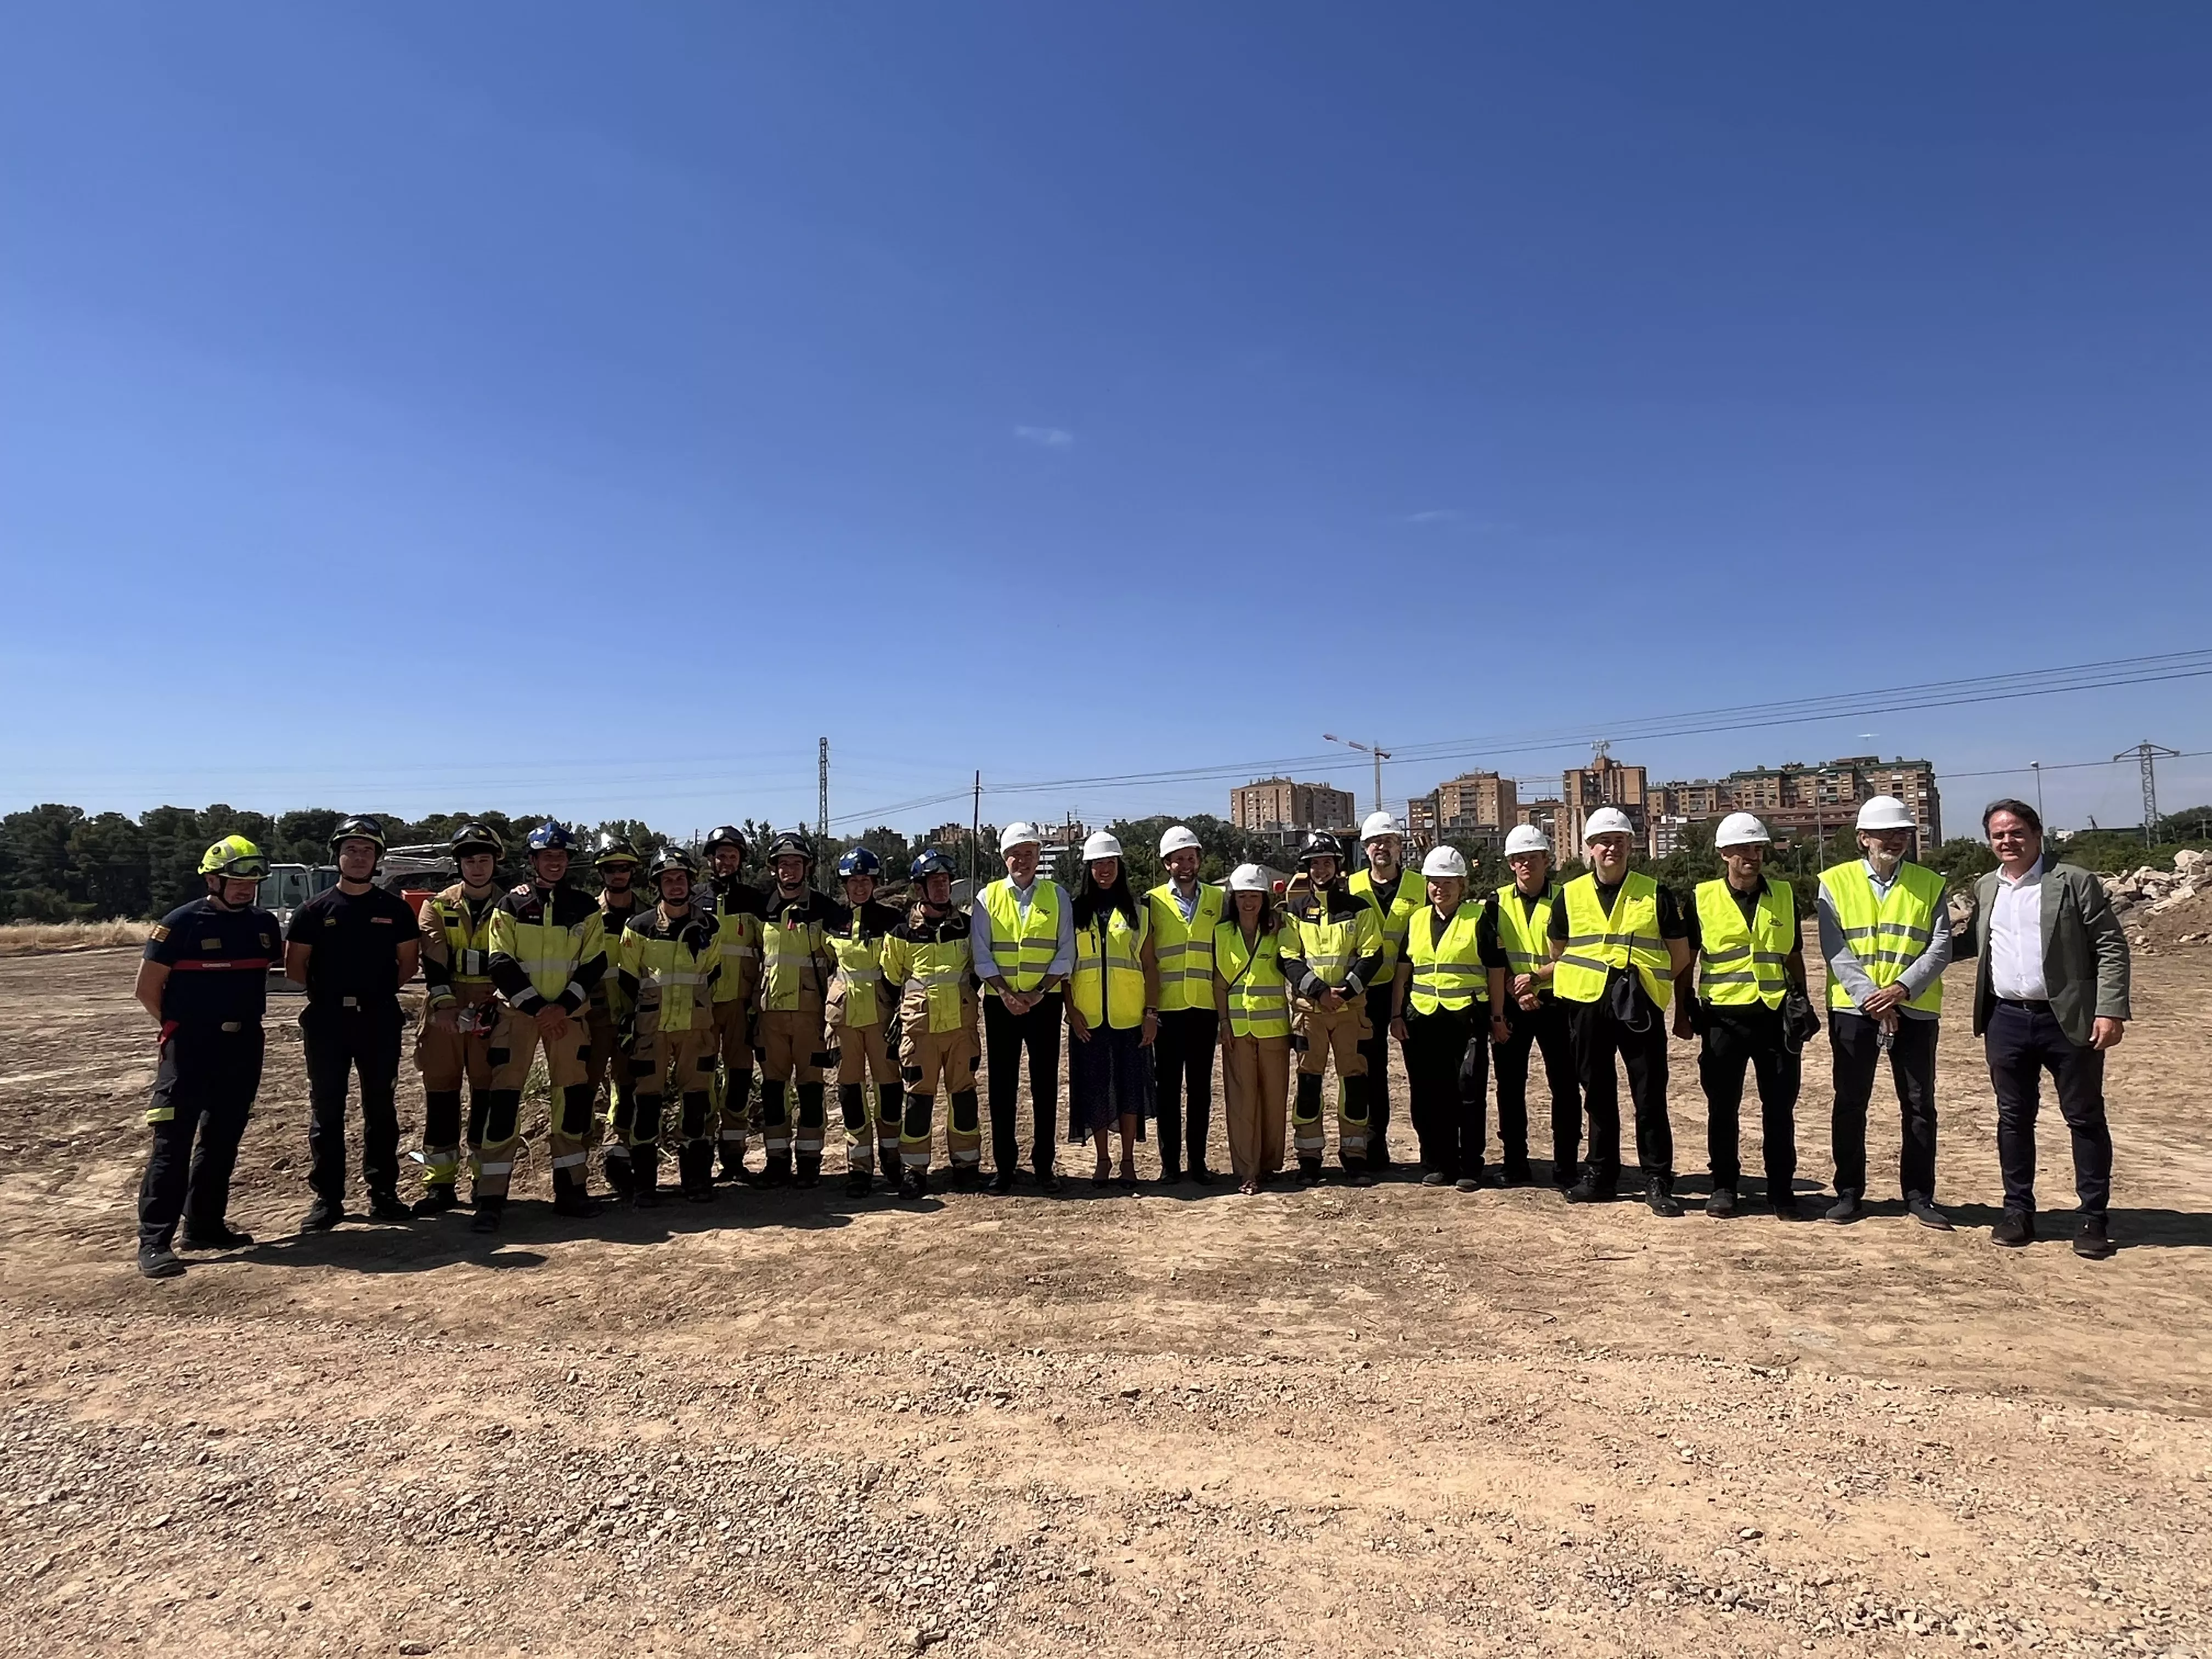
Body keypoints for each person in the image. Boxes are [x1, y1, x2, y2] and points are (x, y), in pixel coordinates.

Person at [1964, 798, 2130, 1258]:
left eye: (2016, 832)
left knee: (2084, 1118)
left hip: (2069, 1019)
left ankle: (2093, 1218)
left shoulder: (2073, 882)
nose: (2007, 842)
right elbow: (1971, 944)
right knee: (2013, 1119)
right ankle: (2018, 1211)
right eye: (1998, 835)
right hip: (2006, 1019)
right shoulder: (1985, 887)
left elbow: (2111, 947)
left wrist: (2110, 1009)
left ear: (2037, 835)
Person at [132, 836, 282, 1278]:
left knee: (222, 1138)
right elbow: (146, 989)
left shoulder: (264, 924)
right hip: (190, 1047)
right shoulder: (179, 924)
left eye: (252, 881)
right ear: (212, 879)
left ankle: (205, 1225)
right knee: (172, 1142)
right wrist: (179, 1028)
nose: (245, 888)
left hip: (243, 1045)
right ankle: (155, 1240)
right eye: (236, 880)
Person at [1547, 806, 1694, 1215]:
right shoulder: (1569, 895)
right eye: (1603, 841)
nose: (1611, 847)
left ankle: (1657, 1179)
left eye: (1619, 840)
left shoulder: (1655, 892)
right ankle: (1601, 1174)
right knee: (1597, 1094)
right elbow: (1559, 951)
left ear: (1631, 845)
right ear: (1589, 848)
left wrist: (1645, 980)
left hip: (1638, 1004)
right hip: (1587, 1005)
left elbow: (1679, 956)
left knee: (1649, 1095)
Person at [1816, 795, 1954, 1227]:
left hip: (1913, 1009)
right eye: (1885, 833)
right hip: (1855, 1010)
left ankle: (1918, 1196)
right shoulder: (1834, 882)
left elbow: (1942, 945)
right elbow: (1834, 947)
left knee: (1918, 1104)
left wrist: (1900, 990)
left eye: (1901, 833)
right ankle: (1849, 1192)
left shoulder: (1930, 883)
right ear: (1863, 839)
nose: (1894, 840)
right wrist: (1870, 999)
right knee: (1850, 1102)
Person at [283, 815, 419, 1230]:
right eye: (351, 850)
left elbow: (408, 966)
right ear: (337, 855)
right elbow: (294, 969)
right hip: (327, 1024)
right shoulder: (313, 911)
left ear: (378, 858)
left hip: (379, 1020)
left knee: (381, 1110)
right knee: (328, 1112)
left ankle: (384, 1193)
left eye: (366, 850)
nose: (358, 857)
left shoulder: (394, 910)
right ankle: (328, 1199)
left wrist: (371, 995)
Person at [483, 821, 608, 1229]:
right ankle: (490, 1198)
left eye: (561, 856)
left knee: (572, 1102)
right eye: (546, 857)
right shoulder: (511, 905)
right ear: (533, 860)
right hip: (519, 1016)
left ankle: (570, 1190)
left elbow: (595, 963)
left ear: (569, 861)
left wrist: (561, 1008)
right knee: (502, 1104)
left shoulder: (586, 907)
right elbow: (500, 961)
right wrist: (539, 1009)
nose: (554, 863)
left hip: (568, 1018)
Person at [1684, 814, 1808, 1220]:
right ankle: (1724, 1186)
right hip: (1723, 1019)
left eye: (1756, 848)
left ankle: (1781, 1188)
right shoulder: (1702, 898)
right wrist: (1683, 1007)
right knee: (1723, 1108)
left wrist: (1802, 1001)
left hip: (1774, 1019)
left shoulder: (1784, 896)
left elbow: (1792, 955)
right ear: (1724, 854)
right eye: (1742, 849)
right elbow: (1688, 960)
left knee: (1779, 1108)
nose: (1751, 856)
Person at [613, 846, 721, 1206]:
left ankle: (696, 1181)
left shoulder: (710, 926)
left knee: (697, 1105)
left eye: (681, 879)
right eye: (667, 880)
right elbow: (628, 979)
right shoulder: (639, 927)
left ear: (691, 882)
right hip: (652, 1029)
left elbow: (713, 973)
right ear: (657, 885)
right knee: (647, 1106)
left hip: (695, 1027)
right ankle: (645, 1185)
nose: (675, 885)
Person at [411, 822, 507, 1215]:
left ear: (495, 863)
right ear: (459, 864)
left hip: (494, 1007)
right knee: (442, 1095)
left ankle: (484, 1180)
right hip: (445, 1009)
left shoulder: (512, 905)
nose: (478, 867)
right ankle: (439, 1184)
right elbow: (434, 961)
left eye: (484, 859)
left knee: (487, 1095)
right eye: (470, 860)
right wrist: (446, 1007)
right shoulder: (437, 905)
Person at [973, 823, 1074, 1195]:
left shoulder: (1057, 896)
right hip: (1001, 1006)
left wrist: (1037, 993)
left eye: (1030, 852)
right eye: (1016, 853)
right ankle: (1004, 1167)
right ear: (1004, 858)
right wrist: (1006, 992)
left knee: (1045, 1085)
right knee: (1002, 1088)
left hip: (1044, 1005)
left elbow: (1066, 952)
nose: (1023, 860)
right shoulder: (987, 898)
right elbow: (981, 954)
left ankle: (1044, 1166)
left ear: (1039, 856)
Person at [1278, 831, 1384, 1186]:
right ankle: (1309, 1158)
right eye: (1314, 864)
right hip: (1310, 1014)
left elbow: (1373, 954)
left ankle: (1354, 1156)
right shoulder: (1294, 913)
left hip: (1350, 1012)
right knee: (1309, 1085)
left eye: (1327, 862)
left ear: (1339, 866)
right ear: (1306, 868)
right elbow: (1289, 959)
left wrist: (1346, 990)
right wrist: (1320, 992)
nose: (1321, 869)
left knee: (1354, 1084)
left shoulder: (1359, 909)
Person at [880, 849, 982, 1198]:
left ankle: (967, 1166)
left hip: (960, 1029)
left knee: (964, 1097)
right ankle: (915, 1170)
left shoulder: (968, 928)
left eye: (944, 882)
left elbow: (976, 971)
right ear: (919, 888)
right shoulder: (900, 932)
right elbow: (891, 980)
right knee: (918, 1101)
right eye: (932, 882)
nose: (940, 888)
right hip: (920, 1032)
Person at [1390, 845, 1491, 1189]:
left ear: (1462, 885)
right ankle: (1440, 1162)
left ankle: (1470, 1165)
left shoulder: (1478, 918)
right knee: (1433, 1092)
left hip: (1467, 1017)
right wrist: (1396, 1014)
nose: (1440, 888)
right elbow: (1403, 972)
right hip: (1424, 1019)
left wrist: (1497, 1016)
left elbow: (1494, 969)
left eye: (1448, 882)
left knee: (1468, 1089)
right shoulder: (1417, 920)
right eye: (1434, 881)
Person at [1481, 824, 1577, 1186]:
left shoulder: (1566, 899)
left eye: (1532, 858)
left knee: (1565, 1086)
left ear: (1546, 860)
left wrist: (1536, 978)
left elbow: (1577, 952)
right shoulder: (1496, 901)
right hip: (1511, 1004)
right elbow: (1492, 954)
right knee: (1509, 1085)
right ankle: (1515, 1162)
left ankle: (1566, 1164)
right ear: (1510, 864)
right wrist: (1516, 990)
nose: (1526, 865)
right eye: (1519, 859)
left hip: (1556, 1002)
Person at [1065, 832, 1160, 1188]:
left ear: (1120, 867)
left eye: (1111, 863)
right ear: (1087, 869)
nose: (1104, 870)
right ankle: (1103, 1161)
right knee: (1096, 1090)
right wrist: (1071, 1012)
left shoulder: (1140, 912)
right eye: (1097, 864)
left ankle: (1128, 1162)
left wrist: (1151, 1013)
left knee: (1130, 1090)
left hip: (1131, 1018)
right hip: (1088, 1020)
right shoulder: (1074, 913)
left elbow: (1150, 965)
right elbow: (1066, 970)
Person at [754, 829, 844, 1188]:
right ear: (773, 869)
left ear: (807, 867)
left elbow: (841, 963)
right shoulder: (761, 910)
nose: (789, 870)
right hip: (770, 1015)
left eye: (796, 863)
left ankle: (809, 1161)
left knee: (810, 1090)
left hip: (811, 1015)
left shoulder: (825, 910)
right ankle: (776, 1162)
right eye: (783, 864)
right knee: (773, 1091)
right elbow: (752, 962)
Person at [825, 847, 907, 1194]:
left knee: (889, 1088)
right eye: (853, 880)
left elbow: (905, 971)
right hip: (845, 1019)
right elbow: (824, 970)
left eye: (866, 880)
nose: (859, 887)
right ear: (844, 883)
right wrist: (826, 1023)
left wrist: (903, 1012)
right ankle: (858, 1167)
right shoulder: (833, 922)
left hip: (882, 1015)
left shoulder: (892, 921)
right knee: (850, 1092)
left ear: (875, 882)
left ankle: (892, 1158)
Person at [1145, 825, 1223, 1184]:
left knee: (1200, 1090)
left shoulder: (1217, 900)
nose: (1186, 864)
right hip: (1169, 1010)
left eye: (1191, 858)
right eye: (1179, 859)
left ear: (1199, 861)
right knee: (1168, 1091)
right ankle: (1170, 1165)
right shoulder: (1153, 902)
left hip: (1204, 1009)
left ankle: (1198, 1162)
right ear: (1167, 864)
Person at [1348, 811, 1424, 1171]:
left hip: (1413, 991)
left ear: (1400, 846)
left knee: (1422, 1072)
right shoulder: (1350, 888)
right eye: (1376, 842)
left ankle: (1433, 1148)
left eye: (1390, 841)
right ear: (1365, 848)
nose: (1383, 847)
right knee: (1370, 1073)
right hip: (1365, 993)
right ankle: (1374, 1148)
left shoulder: (1421, 887)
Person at [1212, 864, 1292, 1193]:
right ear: (1234, 898)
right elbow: (1219, 983)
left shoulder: (1279, 929)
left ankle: (1271, 1164)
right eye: (1242, 896)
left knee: (1274, 1100)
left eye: (1254, 896)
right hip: (1238, 1031)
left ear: (1264, 898)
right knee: (1242, 1101)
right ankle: (1248, 1170)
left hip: (1274, 1028)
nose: (1249, 903)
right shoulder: (1221, 933)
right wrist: (1224, 1023)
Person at [583, 833, 651, 1180]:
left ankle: (619, 1155)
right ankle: (574, 1168)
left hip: (632, 1019)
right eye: (611, 869)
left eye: (624, 868)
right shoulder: (586, 915)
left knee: (627, 1089)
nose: (618, 875)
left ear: (633, 872)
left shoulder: (650, 918)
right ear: (602, 873)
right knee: (581, 1091)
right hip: (591, 1018)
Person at [702, 826, 767, 1183]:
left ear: (741, 859)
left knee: (739, 1081)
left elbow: (765, 953)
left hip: (741, 1007)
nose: (726, 861)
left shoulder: (754, 901)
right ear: (710, 858)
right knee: (702, 1083)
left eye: (733, 855)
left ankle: (733, 1157)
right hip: (703, 1008)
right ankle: (700, 1159)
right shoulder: (694, 899)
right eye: (720, 855)